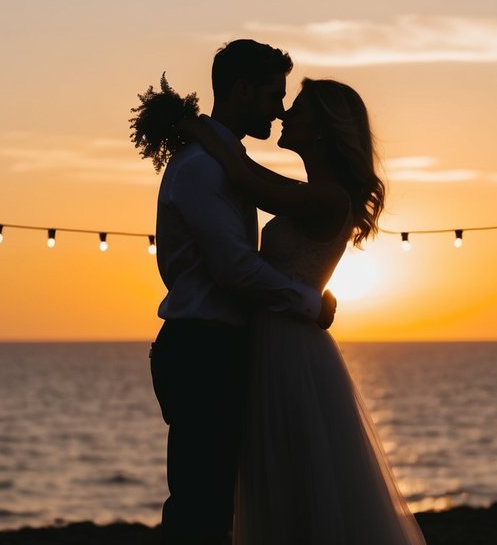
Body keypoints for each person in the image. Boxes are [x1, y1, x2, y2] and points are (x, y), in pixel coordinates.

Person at [182, 77, 426, 545]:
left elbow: (243, 177)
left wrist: (194, 126)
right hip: (279, 338)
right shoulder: (315, 193)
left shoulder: (328, 197)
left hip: (289, 349)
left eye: (297, 109)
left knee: (295, 484)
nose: (284, 114)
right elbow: (247, 173)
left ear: (323, 128)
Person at [136, 39, 337, 545]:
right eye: (274, 95)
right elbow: (235, 269)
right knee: (200, 509)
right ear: (243, 90)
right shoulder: (203, 168)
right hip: (202, 348)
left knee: (214, 505)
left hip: (217, 345)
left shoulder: (223, 163)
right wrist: (309, 303)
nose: (280, 109)